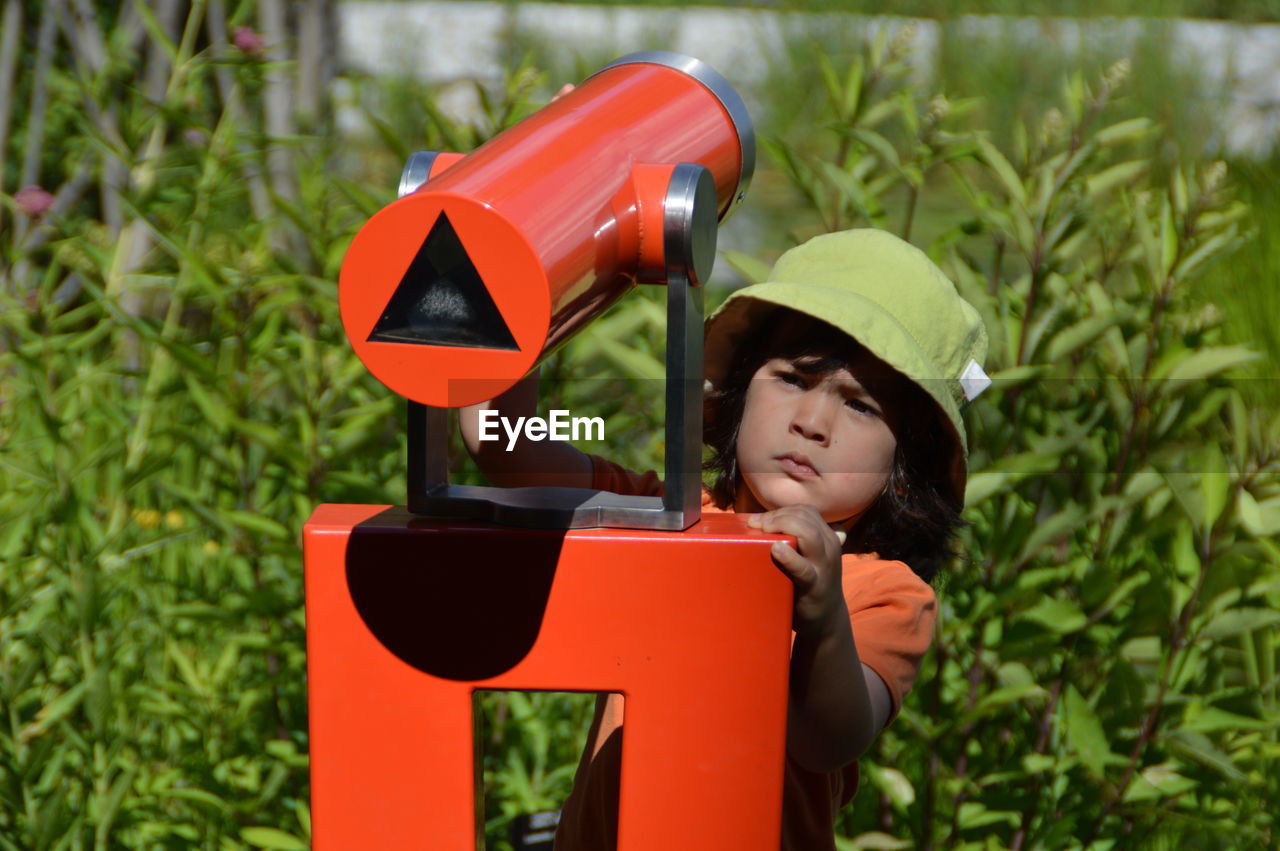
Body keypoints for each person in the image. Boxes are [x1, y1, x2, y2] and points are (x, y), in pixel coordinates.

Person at [460, 228, 989, 850]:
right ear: (738, 392)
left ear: (908, 465)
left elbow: (828, 739)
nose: (811, 422)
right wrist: (522, 278)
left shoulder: (883, 594)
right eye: (792, 379)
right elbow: (504, 443)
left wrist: (820, 615)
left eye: (861, 406)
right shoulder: (668, 515)